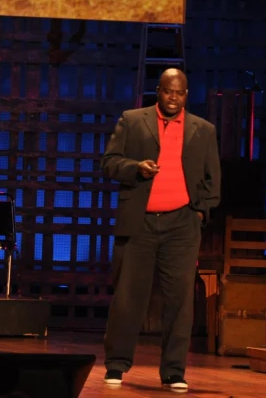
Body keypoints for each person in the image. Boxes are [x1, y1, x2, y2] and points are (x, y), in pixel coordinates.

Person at [101, 68, 221, 392]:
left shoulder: (203, 130)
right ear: (159, 91)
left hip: (182, 224)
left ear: (186, 94)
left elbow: (213, 181)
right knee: (128, 297)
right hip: (140, 222)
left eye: (179, 93)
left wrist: (198, 212)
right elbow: (109, 162)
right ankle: (116, 365)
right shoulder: (133, 119)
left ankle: (173, 371)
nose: (173, 98)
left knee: (179, 300)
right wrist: (135, 168)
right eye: (168, 91)